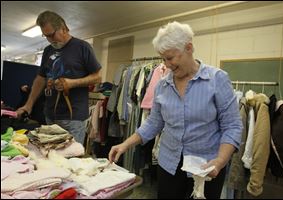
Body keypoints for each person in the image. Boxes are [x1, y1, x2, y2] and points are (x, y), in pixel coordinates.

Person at [108, 21, 243, 199]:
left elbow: (232, 126)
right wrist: (125, 144)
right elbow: (154, 122)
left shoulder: (217, 79)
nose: (167, 64)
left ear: (189, 48)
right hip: (169, 164)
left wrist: (219, 161)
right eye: (163, 59)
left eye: (170, 58)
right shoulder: (163, 84)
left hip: (205, 168)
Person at [16, 11, 102, 145]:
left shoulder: (82, 47)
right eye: (46, 36)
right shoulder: (47, 50)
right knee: (50, 156)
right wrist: (28, 104)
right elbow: (40, 78)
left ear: (63, 28)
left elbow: (97, 77)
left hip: (74, 118)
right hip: (50, 115)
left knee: (70, 160)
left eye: (51, 35)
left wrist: (72, 83)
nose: (50, 40)